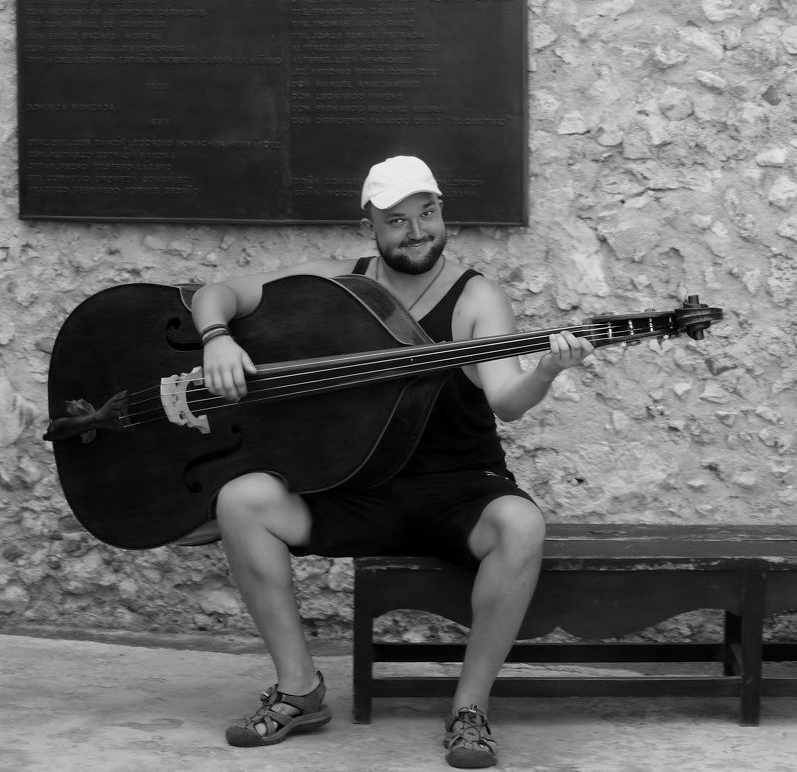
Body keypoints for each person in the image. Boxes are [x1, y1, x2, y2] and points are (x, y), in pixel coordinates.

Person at [190, 155, 594, 768]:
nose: (417, 231)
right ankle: (299, 689)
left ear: (441, 212)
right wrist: (216, 337)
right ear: (370, 227)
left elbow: (506, 402)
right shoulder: (339, 283)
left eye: (426, 214)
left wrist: (546, 370)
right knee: (240, 500)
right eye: (397, 220)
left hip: (458, 489)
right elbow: (215, 293)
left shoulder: (475, 297)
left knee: (522, 524)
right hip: (359, 486)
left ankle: (470, 709)